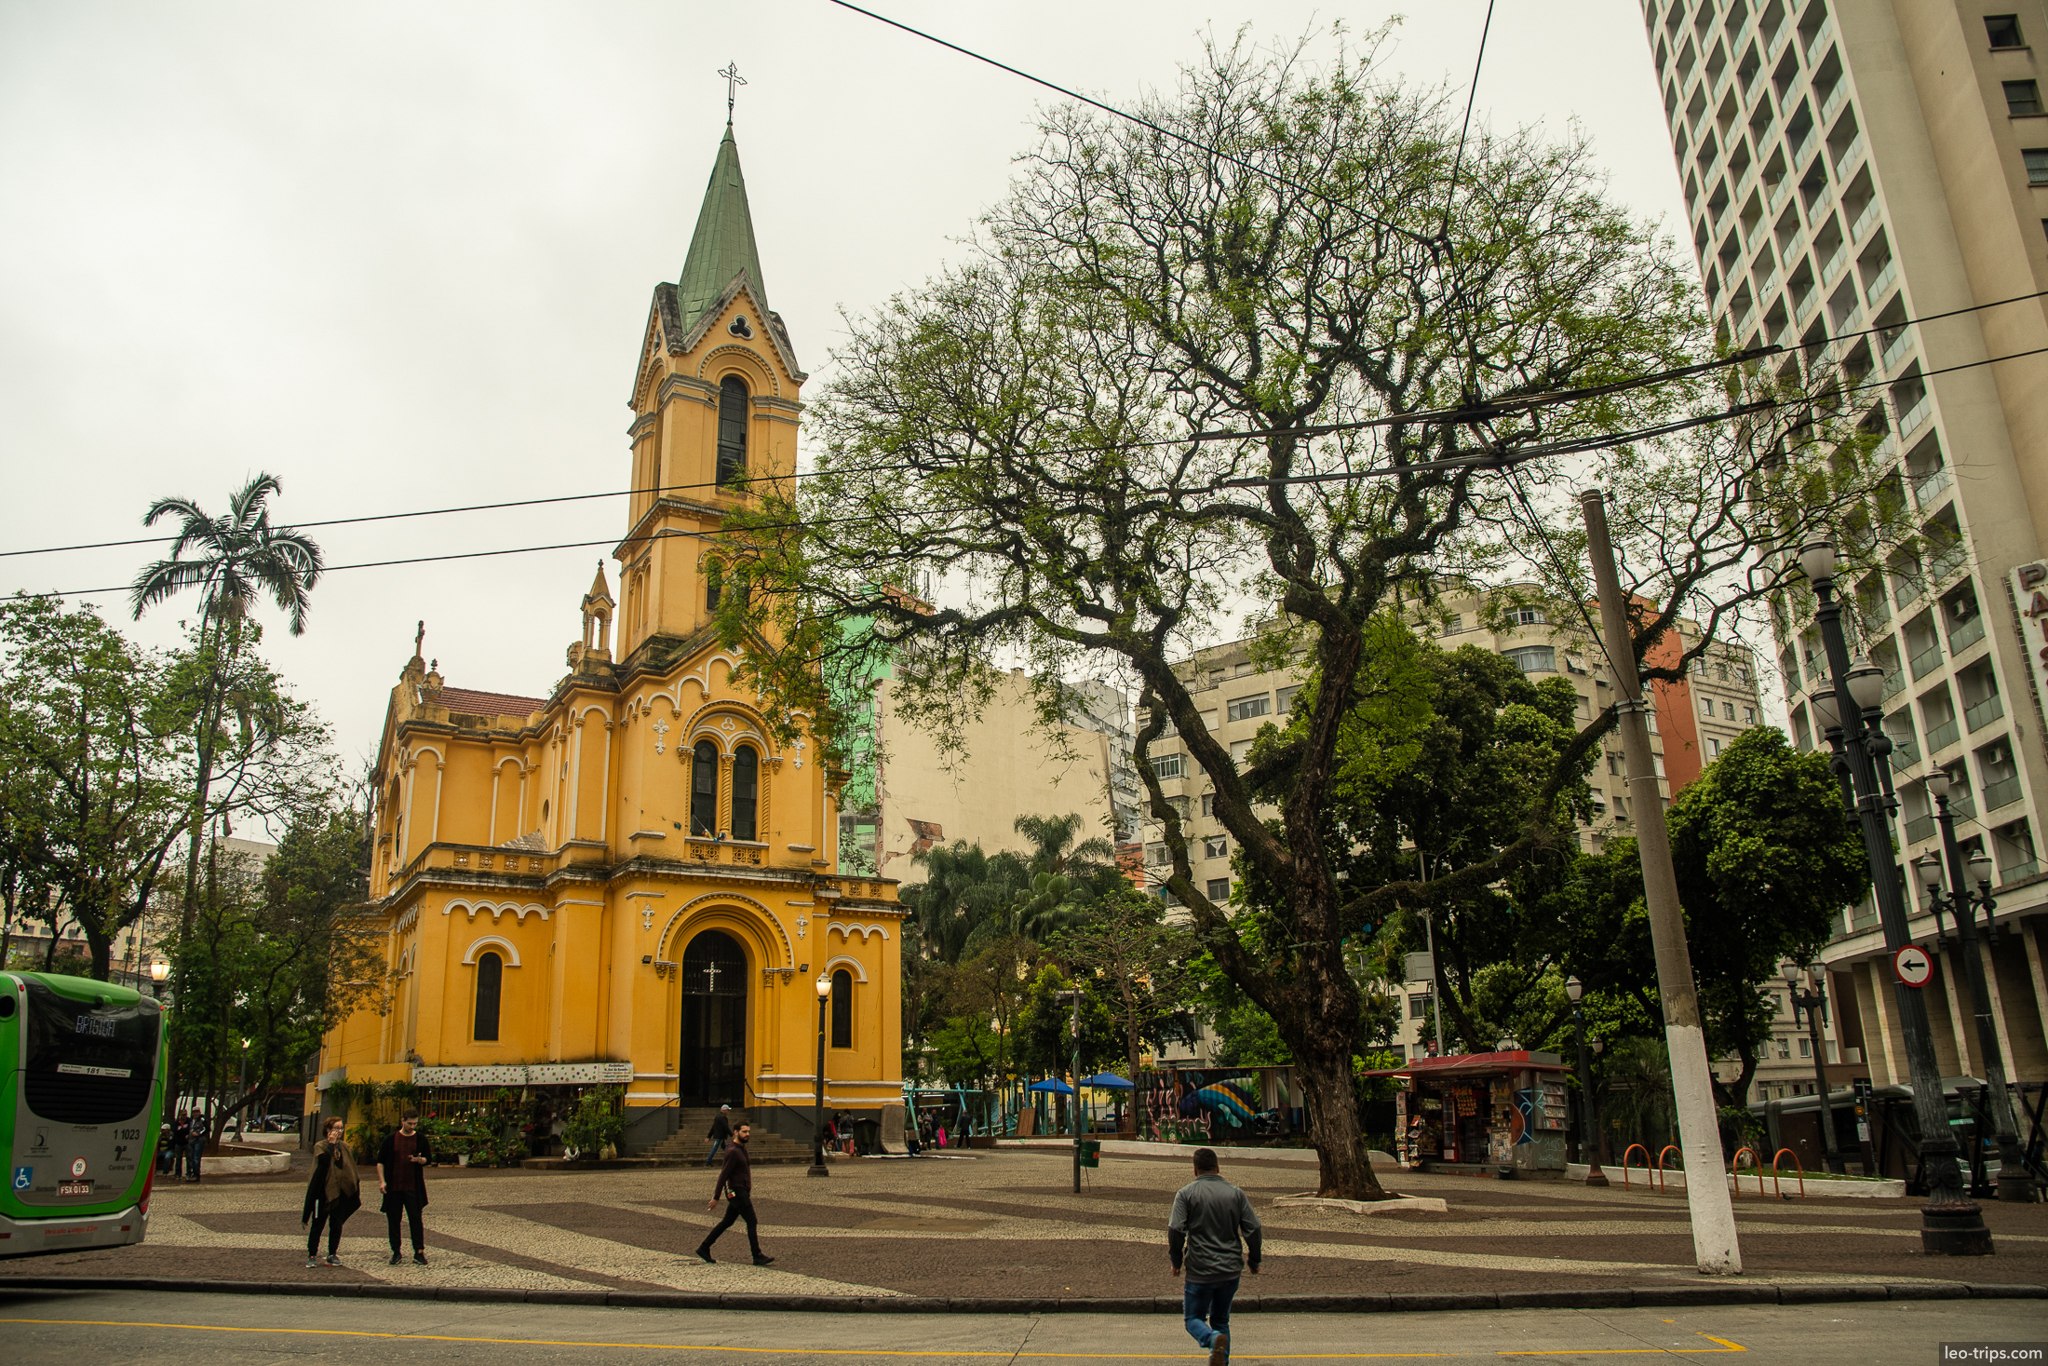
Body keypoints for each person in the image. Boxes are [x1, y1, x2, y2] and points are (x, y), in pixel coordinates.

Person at [1167, 1147, 1261, 1366]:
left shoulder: (1186, 1194)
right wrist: (1254, 1260)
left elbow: (1176, 1229)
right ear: (1218, 1167)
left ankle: (1210, 1339)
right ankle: (1221, 1359)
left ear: (1194, 1170)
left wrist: (1176, 1261)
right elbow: (1254, 1228)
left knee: (1193, 1319)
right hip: (1230, 1271)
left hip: (1200, 1270)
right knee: (1221, 1319)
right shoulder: (1236, 1193)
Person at [696, 1122, 773, 1266]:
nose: (747, 1134)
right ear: (735, 1132)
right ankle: (757, 1255)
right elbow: (723, 1175)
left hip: (741, 1191)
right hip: (737, 1192)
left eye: (749, 1131)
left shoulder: (742, 1149)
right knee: (751, 1221)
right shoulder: (732, 1151)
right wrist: (716, 1196)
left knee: (727, 1221)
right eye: (744, 1132)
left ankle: (704, 1247)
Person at [375, 1108, 435, 1265]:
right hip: (394, 1186)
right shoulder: (390, 1139)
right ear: (402, 1121)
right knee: (394, 1220)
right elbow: (380, 1161)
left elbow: (428, 1159)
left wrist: (420, 1161)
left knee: (416, 1220)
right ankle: (396, 1251)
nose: (412, 1127)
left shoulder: (420, 1139)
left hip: (413, 1187)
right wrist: (382, 1181)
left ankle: (419, 1251)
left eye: (415, 1124)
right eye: (410, 1124)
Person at [302, 1117, 362, 1268]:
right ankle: (312, 1254)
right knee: (318, 1224)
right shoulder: (320, 1146)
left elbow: (347, 1167)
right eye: (336, 1128)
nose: (339, 1131)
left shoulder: (344, 1147)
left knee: (336, 1224)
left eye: (341, 1128)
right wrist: (330, 1144)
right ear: (328, 1130)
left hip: (340, 1192)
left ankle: (332, 1253)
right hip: (322, 1192)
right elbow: (323, 1162)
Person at [184, 1110, 206, 1182]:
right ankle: (192, 1173)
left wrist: (198, 1133)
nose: (196, 1114)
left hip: (199, 1141)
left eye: (197, 1112)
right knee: (192, 1158)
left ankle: (196, 1175)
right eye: (194, 1112)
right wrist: (189, 1136)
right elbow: (191, 1130)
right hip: (192, 1141)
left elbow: (206, 1129)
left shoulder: (202, 1120)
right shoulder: (192, 1121)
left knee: (196, 1158)